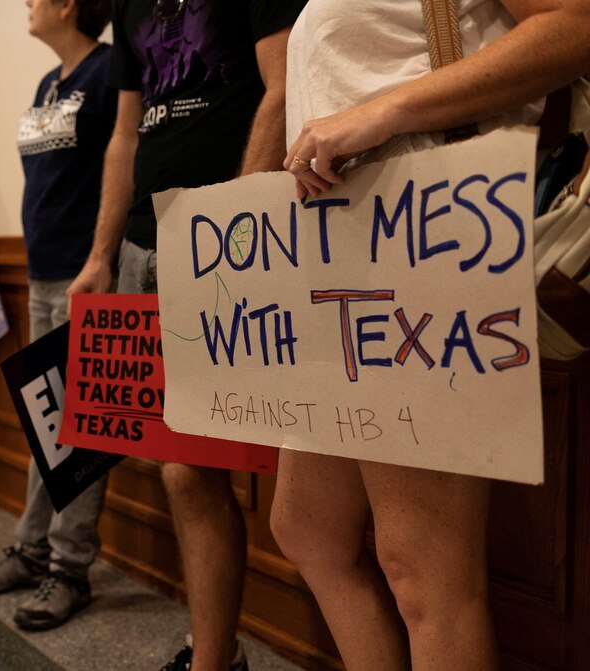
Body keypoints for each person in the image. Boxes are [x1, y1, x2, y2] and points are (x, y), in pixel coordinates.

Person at [270, 2, 590, 670]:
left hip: (424, 240)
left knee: (427, 573)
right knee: (308, 528)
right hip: (344, 257)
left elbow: (577, 24)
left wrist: (385, 110)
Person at [65, 1, 306, 668]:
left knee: (191, 467)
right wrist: (100, 255)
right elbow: (124, 135)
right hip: (144, 245)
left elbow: (285, 86)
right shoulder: (128, 5)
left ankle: (212, 661)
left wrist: (233, 225)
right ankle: (216, 654)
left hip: (221, 239)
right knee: (183, 474)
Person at [0, 0, 115, 632]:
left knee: (83, 426)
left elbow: (118, 168)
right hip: (41, 271)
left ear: (68, 5)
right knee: (46, 422)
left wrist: (101, 261)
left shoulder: (108, 73)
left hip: (86, 272)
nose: (27, 4)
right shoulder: (49, 83)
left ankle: (69, 567)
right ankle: (33, 547)